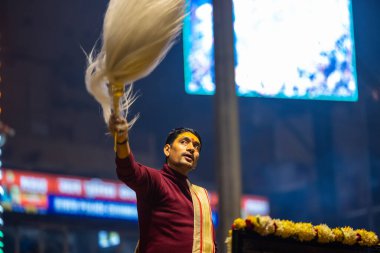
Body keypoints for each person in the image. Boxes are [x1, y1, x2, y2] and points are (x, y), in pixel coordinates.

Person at [109, 115, 217, 253]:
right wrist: (122, 140)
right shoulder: (156, 180)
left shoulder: (201, 195)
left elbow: (211, 246)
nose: (191, 148)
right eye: (184, 142)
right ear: (167, 150)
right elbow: (128, 171)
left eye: (196, 147)